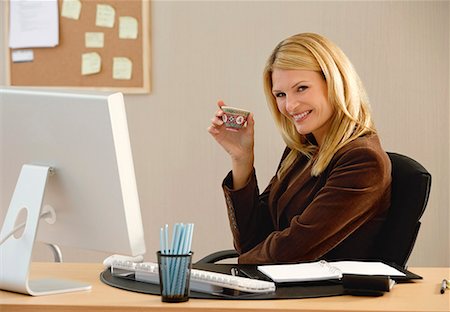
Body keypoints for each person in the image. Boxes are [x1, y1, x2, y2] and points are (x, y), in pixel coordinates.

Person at [208, 33, 391, 264]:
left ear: (334, 83)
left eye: (302, 88)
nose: (290, 105)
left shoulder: (362, 160)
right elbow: (251, 241)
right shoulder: (302, 150)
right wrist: (242, 159)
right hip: (285, 291)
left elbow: (291, 249)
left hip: (324, 296)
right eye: (280, 94)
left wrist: (228, 272)